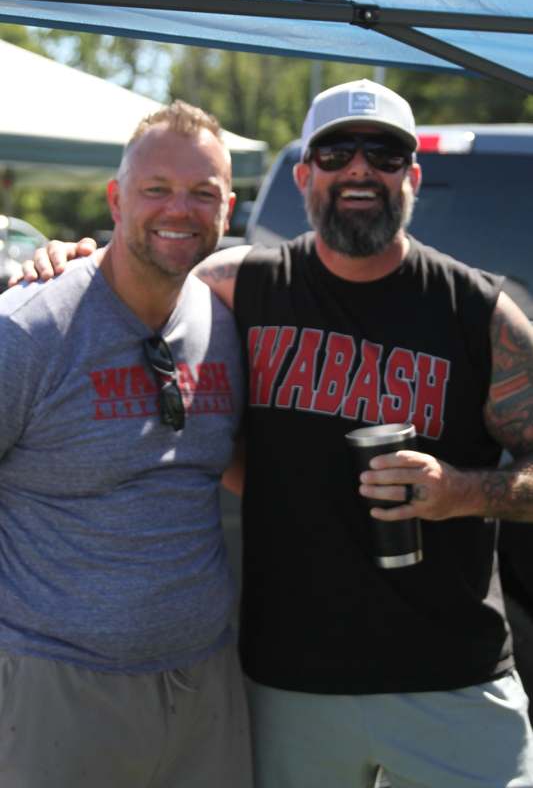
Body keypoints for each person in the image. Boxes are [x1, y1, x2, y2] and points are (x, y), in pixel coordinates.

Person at [20, 79, 533, 787]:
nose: (359, 168)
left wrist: (462, 491)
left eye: (382, 153)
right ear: (303, 176)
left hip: (453, 678)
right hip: (290, 684)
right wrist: (65, 256)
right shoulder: (239, 287)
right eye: (335, 153)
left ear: (411, 176)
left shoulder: (478, 310)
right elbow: (143, 258)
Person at [0, 99, 253, 788]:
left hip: (204, 683)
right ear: (115, 199)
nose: (181, 209)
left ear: (227, 208)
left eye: (203, 193)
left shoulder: (224, 321)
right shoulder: (29, 330)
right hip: (56, 692)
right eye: (156, 190)